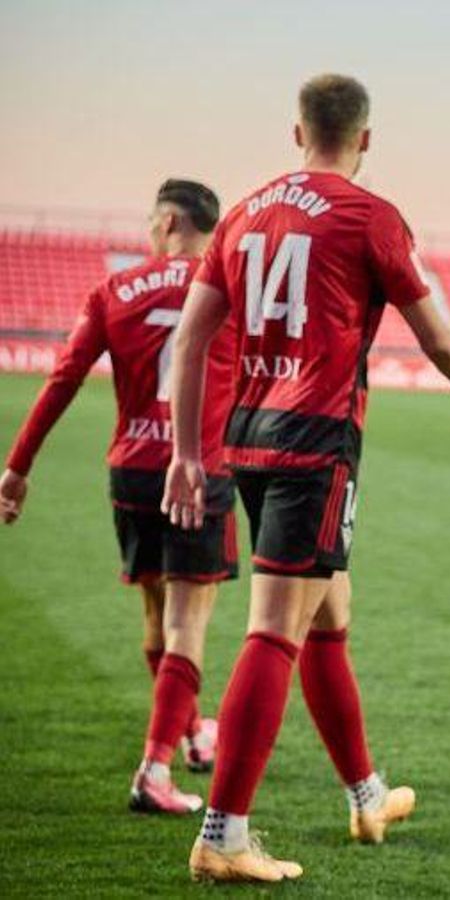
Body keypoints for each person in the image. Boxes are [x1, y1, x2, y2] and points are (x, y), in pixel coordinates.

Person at [161, 73, 450, 883]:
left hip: (248, 435)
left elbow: (191, 340)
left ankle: (365, 793)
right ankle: (224, 833)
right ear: (367, 140)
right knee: (277, 626)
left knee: (326, 613)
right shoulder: (369, 215)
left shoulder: (244, 210)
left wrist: (185, 451)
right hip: (316, 443)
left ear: (296, 133)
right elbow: (438, 336)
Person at [1, 179, 234, 815]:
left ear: (166, 222)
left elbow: (64, 377)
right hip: (198, 471)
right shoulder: (229, 291)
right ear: (206, 230)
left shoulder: (114, 291)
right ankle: (155, 768)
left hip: (131, 471)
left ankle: (190, 731)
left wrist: (18, 467)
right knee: (189, 625)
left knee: (158, 618)